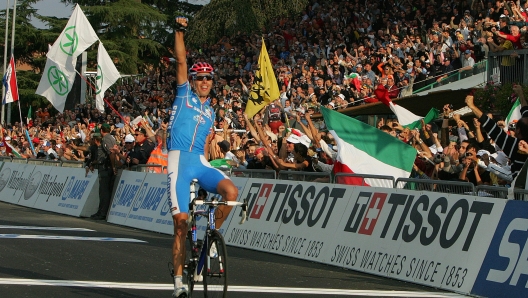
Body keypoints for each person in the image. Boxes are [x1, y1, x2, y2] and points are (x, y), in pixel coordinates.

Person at [168, 17, 238, 298]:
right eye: (201, 78)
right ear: (194, 82)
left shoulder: (211, 112)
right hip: (178, 161)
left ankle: (211, 238)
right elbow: (182, 61)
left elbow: (207, 148)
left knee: (231, 191)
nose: (205, 81)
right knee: (181, 225)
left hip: (199, 161)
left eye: (209, 77)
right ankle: (177, 282)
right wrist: (179, 31)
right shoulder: (184, 95)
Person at [88, 124, 117, 220]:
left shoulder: (106, 139)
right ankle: (101, 211)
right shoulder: (110, 138)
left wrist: (113, 167)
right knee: (103, 191)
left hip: (106, 168)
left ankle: (102, 213)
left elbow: (111, 153)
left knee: (104, 192)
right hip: (106, 167)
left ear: (101, 131)